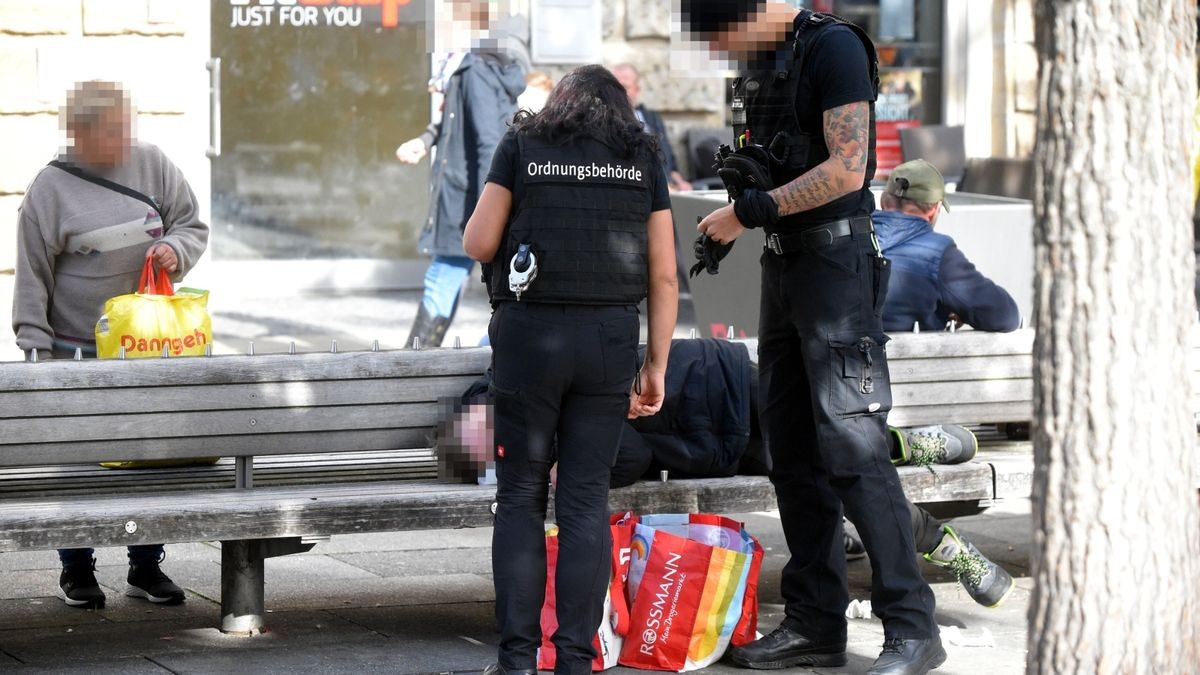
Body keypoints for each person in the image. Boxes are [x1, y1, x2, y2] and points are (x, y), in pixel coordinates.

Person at [689, 3, 944, 673]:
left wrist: (748, 209)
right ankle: (815, 623)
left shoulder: (833, 48)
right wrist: (752, 181)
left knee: (855, 448)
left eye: (723, 33)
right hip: (787, 265)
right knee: (792, 450)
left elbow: (847, 170)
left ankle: (913, 626)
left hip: (837, 267)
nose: (720, 49)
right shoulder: (765, 63)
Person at [462, 64, 677, 675]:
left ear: (559, 103)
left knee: (522, 497)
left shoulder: (523, 145)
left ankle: (517, 660)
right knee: (585, 501)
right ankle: (578, 660)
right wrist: (655, 365)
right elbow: (664, 274)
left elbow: (479, 243)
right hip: (608, 340)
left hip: (530, 338)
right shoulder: (641, 158)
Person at [12, 81, 208, 609]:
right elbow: (32, 275)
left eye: (128, 128)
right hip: (77, 349)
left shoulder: (153, 164)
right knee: (76, 463)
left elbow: (192, 224)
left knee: (148, 456)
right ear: (79, 134)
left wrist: (173, 247)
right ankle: (77, 568)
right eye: (113, 132)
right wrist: (34, 349)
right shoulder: (50, 190)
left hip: (146, 348)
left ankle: (145, 566)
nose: (125, 141)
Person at [395, 0, 526, 348]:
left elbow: (488, 143)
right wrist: (424, 142)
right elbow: (452, 125)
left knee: (444, 276)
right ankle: (431, 358)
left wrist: (490, 208)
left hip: (468, 197)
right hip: (469, 195)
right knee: (458, 278)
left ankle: (415, 363)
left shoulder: (475, 71)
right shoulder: (467, 69)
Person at [876, 159, 1019, 333]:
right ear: (933, 210)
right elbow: (1005, 316)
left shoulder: (843, 235)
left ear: (883, 201)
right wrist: (951, 308)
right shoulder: (937, 255)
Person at [611, 63, 694, 192]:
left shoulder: (652, 118)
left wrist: (680, 182)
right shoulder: (606, 120)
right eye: (615, 87)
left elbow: (668, 161)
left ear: (637, 89)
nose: (620, 93)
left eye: (625, 87)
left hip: (665, 186)